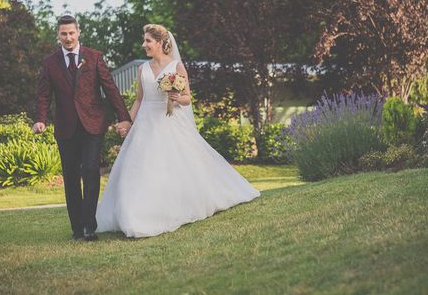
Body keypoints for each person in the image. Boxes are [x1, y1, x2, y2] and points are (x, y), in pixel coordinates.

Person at [96, 24, 260, 238]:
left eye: (147, 41)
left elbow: (187, 98)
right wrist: (127, 121)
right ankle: (133, 215)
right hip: (145, 125)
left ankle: (168, 209)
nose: (143, 44)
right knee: (138, 168)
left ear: (160, 43)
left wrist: (176, 97)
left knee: (168, 167)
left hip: (168, 123)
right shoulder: (142, 69)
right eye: (144, 40)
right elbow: (139, 99)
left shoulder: (176, 66)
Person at [33, 14, 132, 241]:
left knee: (90, 170)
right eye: (63, 34)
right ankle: (77, 228)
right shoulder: (50, 63)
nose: (68, 37)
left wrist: (123, 117)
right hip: (66, 128)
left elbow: (111, 89)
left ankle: (89, 226)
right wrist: (40, 119)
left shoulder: (94, 57)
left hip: (92, 125)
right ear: (58, 35)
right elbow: (43, 95)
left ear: (78, 32)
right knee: (70, 177)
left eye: (71, 33)